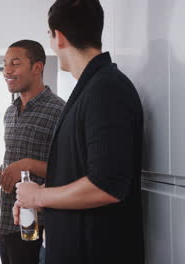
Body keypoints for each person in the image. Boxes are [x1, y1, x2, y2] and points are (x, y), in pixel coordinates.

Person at [13, 1, 145, 264]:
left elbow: (106, 185)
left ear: (58, 37)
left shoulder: (106, 89)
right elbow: (86, 172)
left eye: (48, 35)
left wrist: (39, 195)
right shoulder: (94, 87)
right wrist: (41, 197)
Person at [0, 40, 65, 264]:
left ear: (37, 67)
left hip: (39, 226)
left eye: (15, 63)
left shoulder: (60, 111)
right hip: (7, 222)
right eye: (5, 64)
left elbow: (69, 171)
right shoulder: (10, 112)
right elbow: (13, 161)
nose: (7, 70)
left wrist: (28, 165)